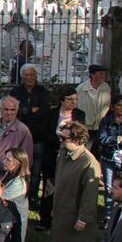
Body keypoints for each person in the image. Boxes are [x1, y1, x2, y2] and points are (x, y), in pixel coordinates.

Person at [42, 122, 102, 242]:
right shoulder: (64, 155)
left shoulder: (87, 162)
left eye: (64, 138)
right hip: (63, 210)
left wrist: (84, 218)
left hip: (74, 214)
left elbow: (90, 194)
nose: (60, 141)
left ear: (77, 139)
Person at [37, 86, 85, 227]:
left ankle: (65, 219)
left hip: (70, 156)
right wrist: (59, 141)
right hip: (53, 154)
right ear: (62, 100)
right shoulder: (51, 114)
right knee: (49, 186)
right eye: (70, 99)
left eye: (76, 99)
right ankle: (45, 219)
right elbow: (45, 132)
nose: (73, 102)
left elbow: (81, 134)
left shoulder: (79, 115)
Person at [10, 63, 51, 206]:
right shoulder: (16, 92)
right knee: (17, 167)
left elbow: (45, 112)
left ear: (36, 76)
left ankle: (32, 197)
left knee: (36, 169)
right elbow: (15, 111)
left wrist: (26, 112)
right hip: (19, 136)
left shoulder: (43, 92)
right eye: (26, 75)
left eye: (32, 75)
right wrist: (30, 111)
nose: (29, 78)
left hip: (38, 136)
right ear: (22, 76)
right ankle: (17, 195)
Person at [95, 94, 122, 222]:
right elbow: (101, 139)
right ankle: (108, 215)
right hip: (108, 158)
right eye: (119, 105)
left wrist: (121, 141)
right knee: (109, 187)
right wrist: (118, 139)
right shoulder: (106, 121)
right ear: (112, 107)